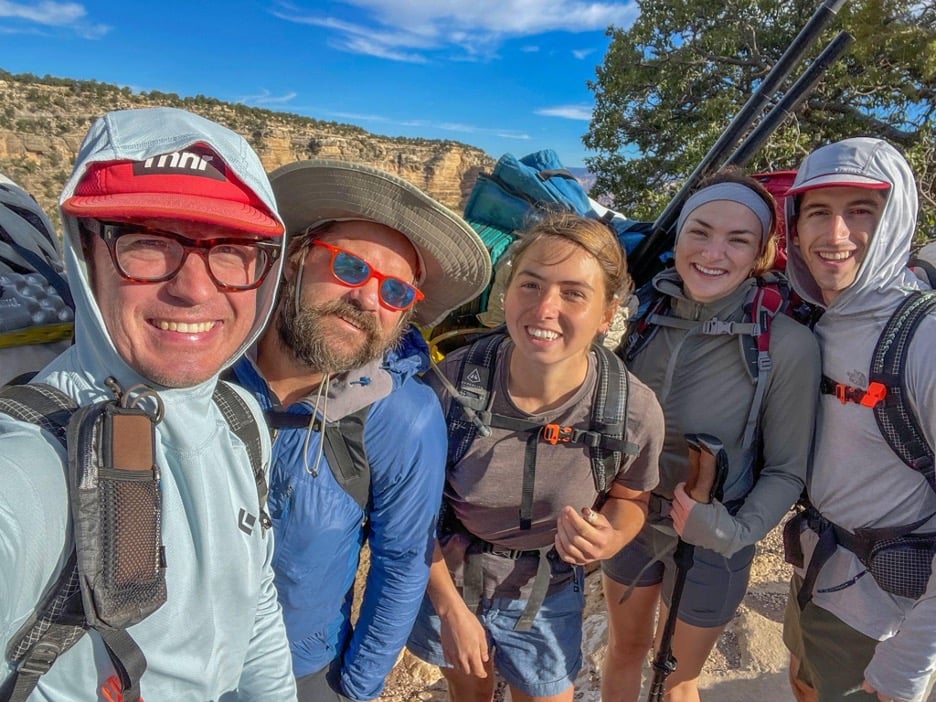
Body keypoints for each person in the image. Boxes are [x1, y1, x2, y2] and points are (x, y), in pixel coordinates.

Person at [0, 107, 296, 699]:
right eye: (149, 243)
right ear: (85, 257)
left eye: (233, 249)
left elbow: (254, 600)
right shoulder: (34, 467)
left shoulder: (240, 421)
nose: (193, 287)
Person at [228, 159, 492, 701]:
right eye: (350, 267)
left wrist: (354, 689)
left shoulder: (402, 416)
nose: (369, 298)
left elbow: (401, 561)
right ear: (297, 257)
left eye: (397, 293)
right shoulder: (208, 366)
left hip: (301, 669)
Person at [406, 211, 665, 702]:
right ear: (507, 292)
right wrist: (450, 610)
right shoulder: (450, 389)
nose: (545, 308)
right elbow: (409, 515)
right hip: (450, 576)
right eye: (531, 285)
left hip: (546, 591)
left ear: (607, 313)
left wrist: (610, 537)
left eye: (573, 293)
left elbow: (632, 498)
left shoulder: (630, 410)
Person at [600, 168, 821, 701]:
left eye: (738, 239)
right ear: (678, 236)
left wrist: (732, 531)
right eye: (700, 231)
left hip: (717, 538)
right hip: (631, 517)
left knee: (677, 677)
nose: (714, 252)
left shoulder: (786, 345)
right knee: (624, 652)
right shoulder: (641, 317)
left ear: (761, 253)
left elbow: (788, 469)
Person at [782, 137, 936, 702]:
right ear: (794, 226)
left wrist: (910, 663)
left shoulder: (923, 339)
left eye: (861, 211)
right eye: (819, 211)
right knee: (801, 680)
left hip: (884, 614)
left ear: (894, 219)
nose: (836, 235)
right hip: (816, 576)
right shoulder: (815, 315)